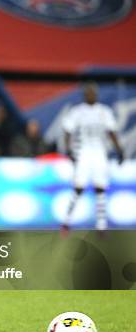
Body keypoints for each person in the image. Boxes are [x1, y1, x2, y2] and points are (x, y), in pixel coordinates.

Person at [61, 83, 123, 233]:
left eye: (92, 92)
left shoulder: (104, 111)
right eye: (87, 92)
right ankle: (67, 221)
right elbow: (67, 131)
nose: (90, 95)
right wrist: (68, 149)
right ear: (84, 94)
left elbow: (111, 132)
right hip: (83, 153)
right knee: (78, 188)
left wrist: (119, 150)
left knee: (100, 187)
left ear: (96, 94)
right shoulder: (77, 111)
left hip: (100, 153)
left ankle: (101, 225)